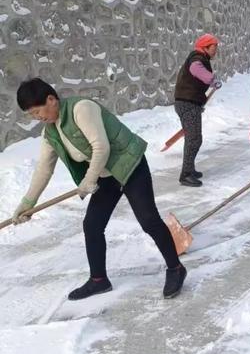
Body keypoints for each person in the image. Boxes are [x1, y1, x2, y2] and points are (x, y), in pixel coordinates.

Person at [12, 79, 187, 300]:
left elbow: (100, 146)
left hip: (129, 165)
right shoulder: (51, 133)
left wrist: (88, 180)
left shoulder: (80, 109)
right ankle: (99, 280)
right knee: (92, 225)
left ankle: (176, 268)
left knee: (148, 220)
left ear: (51, 99)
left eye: (38, 111)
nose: (38, 118)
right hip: (105, 175)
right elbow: (43, 169)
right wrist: (27, 204)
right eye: (32, 115)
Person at [173, 33, 221, 187]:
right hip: (186, 104)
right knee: (194, 139)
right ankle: (185, 174)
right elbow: (195, 69)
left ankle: (190, 168)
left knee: (194, 138)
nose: (216, 50)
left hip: (191, 103)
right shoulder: (197, 57)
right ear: (205, 47)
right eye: (214, 47)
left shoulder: (201, 58)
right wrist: (212, 80)